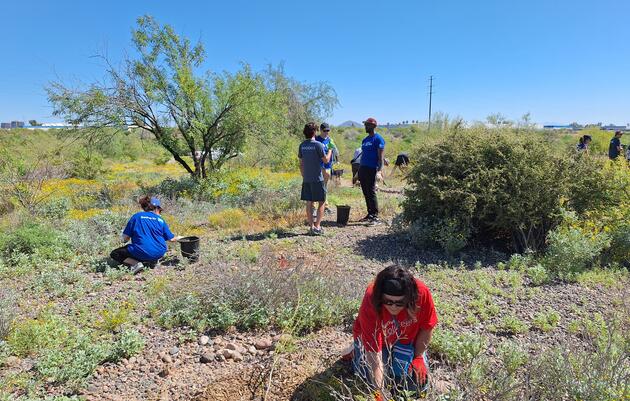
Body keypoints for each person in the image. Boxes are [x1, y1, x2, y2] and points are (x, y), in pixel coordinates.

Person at [350, 266, 438, 399]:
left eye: (400, 303)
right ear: (380, 298)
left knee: (416, 383)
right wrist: (379, 391)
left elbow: (427, 327)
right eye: (388, 302)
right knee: (368, 377)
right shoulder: (371, 299)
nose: (393, 307)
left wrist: (418, 356)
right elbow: (374, 355)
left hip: (406, 341)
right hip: (376, 343)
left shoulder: (422, 293)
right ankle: (355, 351)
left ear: (409, 298)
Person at [110, 196, 181, 274]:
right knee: (147, 249)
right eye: (160, 211)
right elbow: (171, 239)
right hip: (160, 252)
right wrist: (182, 238)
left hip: (142, 251)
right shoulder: (160, 220)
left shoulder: (136, 217)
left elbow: (125, 239)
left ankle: (136, 264)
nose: (160, 213)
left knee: (115, 253)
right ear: (156, 208)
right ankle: (152, 261)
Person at [298, 122, 331, 235]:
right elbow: (326, 160)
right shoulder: (318, 145)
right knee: (321, 201)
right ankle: (317, 227)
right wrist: (330, 150)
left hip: (307, 178)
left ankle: (311, 227)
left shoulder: (302, 145)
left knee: (309, 202)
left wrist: (304, 175)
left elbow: (301, 164)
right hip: (318, 178)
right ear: (315, 132)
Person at [358, 117, 385, 224]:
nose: (365, 126)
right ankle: (369, 214)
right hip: (363, 168)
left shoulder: (378, 139)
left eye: (367, 125)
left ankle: (375, 216)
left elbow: (381, 157)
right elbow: (363, 155)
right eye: (365, 125)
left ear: (373, 126)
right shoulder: (365, 140)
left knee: (371, 191)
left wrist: (379, 171)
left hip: (372, 169)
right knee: (366, 192)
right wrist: (358, 172)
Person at [316, 123, 338, 214]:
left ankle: (326, 206)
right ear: (320, 130)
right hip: (317, 167)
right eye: (325, 131)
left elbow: (335, 151)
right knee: (316, 186)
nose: (326, 132)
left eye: (328, 131)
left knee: (324, 187)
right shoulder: (316, 139)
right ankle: (313, 207)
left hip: (327, 167)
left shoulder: (329, 140)